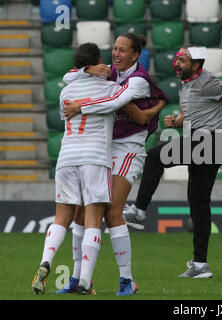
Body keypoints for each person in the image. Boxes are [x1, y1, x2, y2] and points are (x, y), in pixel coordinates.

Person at [122, 45, 222, 278]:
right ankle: (200, 265)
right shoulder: (185, 83)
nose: (177, 63)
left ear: (197, 65)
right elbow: (195, 112)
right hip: (204, 143)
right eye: (178, 58)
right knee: (198, 204)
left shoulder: (208, 82)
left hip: (209, 142)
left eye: (183, 60)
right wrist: (178, 121)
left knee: (154, 157)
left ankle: (140, 210)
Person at [31, 43, 151, 295]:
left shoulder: (66, 92)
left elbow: (68, 103)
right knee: (93, 219)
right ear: (98, 61)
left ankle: (46, 262)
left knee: (63, 217)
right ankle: (84, 280)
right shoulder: (110, 88)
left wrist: (83, 76)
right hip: (95, 158)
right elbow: (119, 103)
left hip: (66, 158)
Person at [53, 33, 168, 296]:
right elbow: (69, 77)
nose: (116, 54)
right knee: (82, 214)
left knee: (112, 211)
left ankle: (127, 281)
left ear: (136, 55)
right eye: (114, 49)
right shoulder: (109, 72)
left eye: (123, 50)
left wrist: (81, 105)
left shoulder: (138, 80)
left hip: (128, 148)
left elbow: (116, 101)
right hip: (102, 149)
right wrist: (87, 68)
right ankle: (79, 279)